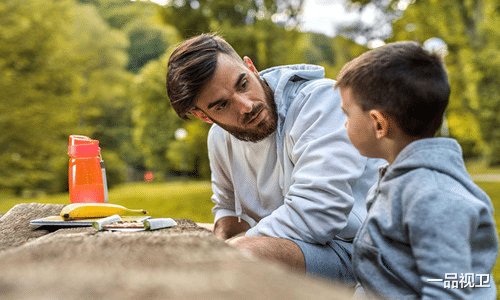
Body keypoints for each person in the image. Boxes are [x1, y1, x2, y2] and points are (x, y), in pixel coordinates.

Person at [166, 33, 381, 283]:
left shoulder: (320, 102)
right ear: (203, 115)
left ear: (251, 67)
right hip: (301, 247)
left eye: (243, 84)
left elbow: (318, 213)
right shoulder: (218, 138)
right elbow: (227, 206)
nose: (246, 106)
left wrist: (234, 247)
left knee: (240, 257)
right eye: (221, 105)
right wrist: (225, 233)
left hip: (361, 251)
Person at [335, 41, 498, 299]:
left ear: (378, 124)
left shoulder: (433, 196)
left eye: (347, 114)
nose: (344, 124)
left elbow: (448, 291)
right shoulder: (399, 179)